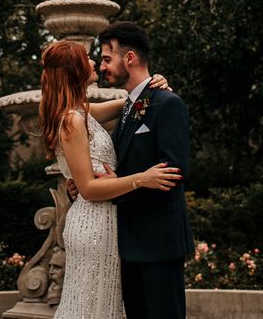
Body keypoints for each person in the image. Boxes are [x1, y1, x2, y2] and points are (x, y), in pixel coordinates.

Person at [38, 40, 181, 318]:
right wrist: (142, 178)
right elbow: (89, 188)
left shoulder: (81, 113)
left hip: (104, 220)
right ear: (75, 70)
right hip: (93, 224)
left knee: (101, 304)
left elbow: (128, 103)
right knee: (90, 306)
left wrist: (154, 84)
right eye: (87, 59)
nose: (93, 63)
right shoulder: (72, 120)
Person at [97, 21, 194, 319]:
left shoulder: (168, 104)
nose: (102, 67)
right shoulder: (129, 107)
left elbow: (174, 173)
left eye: (106, 58)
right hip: (129, 247)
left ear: (130, 58)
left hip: (159, 245)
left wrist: (119, 188)